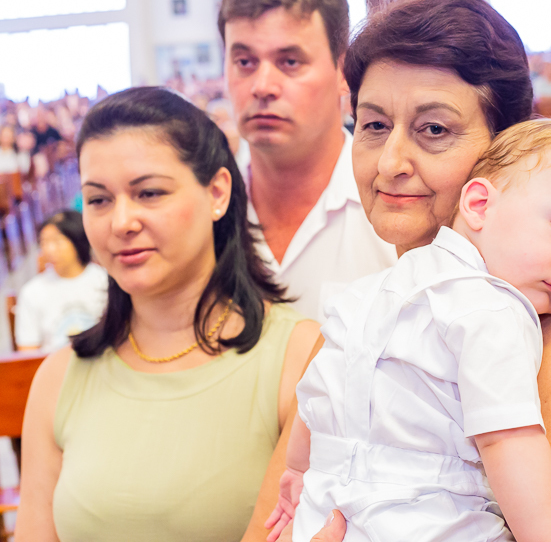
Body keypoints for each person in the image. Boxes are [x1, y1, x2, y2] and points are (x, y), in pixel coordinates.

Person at [256, 0, 551, 542]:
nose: (391, 163)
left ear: (505, 149)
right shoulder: (368, 310)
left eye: (435, 130)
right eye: (374, 125)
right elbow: (277, 511)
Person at [269, 120, 551, 542]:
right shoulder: (494, 307)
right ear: (479, 205)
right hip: (429, 520)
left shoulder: (365, 293)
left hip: (322, 511)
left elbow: (315, 395)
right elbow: (506, 439)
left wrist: (297, 471)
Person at [17, 87, 322, 542]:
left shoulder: (297, 358)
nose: (121, 222)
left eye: (149, 193)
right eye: (98, 200)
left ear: (217, 192)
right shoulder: (60, 377)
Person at [218, 0, 395, 323]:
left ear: (343, 72)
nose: (262, 87)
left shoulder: (394, 210)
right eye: (245, 62)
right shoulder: (204, 209)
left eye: (290, 61)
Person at [15, 210, 108, 351]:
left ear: (77, 241)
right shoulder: (32, 292)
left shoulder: (105, 281)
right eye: (44, 242)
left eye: (57, 241)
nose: (49, 250)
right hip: (53, 363)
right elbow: (28, 351)